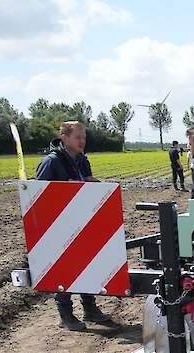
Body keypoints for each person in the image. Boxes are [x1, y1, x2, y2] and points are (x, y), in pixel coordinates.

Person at [35, 120, 112, 331]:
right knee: (64, 270)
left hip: (82, 222)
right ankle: (66, 315)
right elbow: (38, 198)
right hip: (59, 227)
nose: (82, 141)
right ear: (64, 138)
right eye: (77, 137)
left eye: (84, 137)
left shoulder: (82, 160)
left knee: (85, 266)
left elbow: (85, 184)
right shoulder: (51, 163)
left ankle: (89, 309)